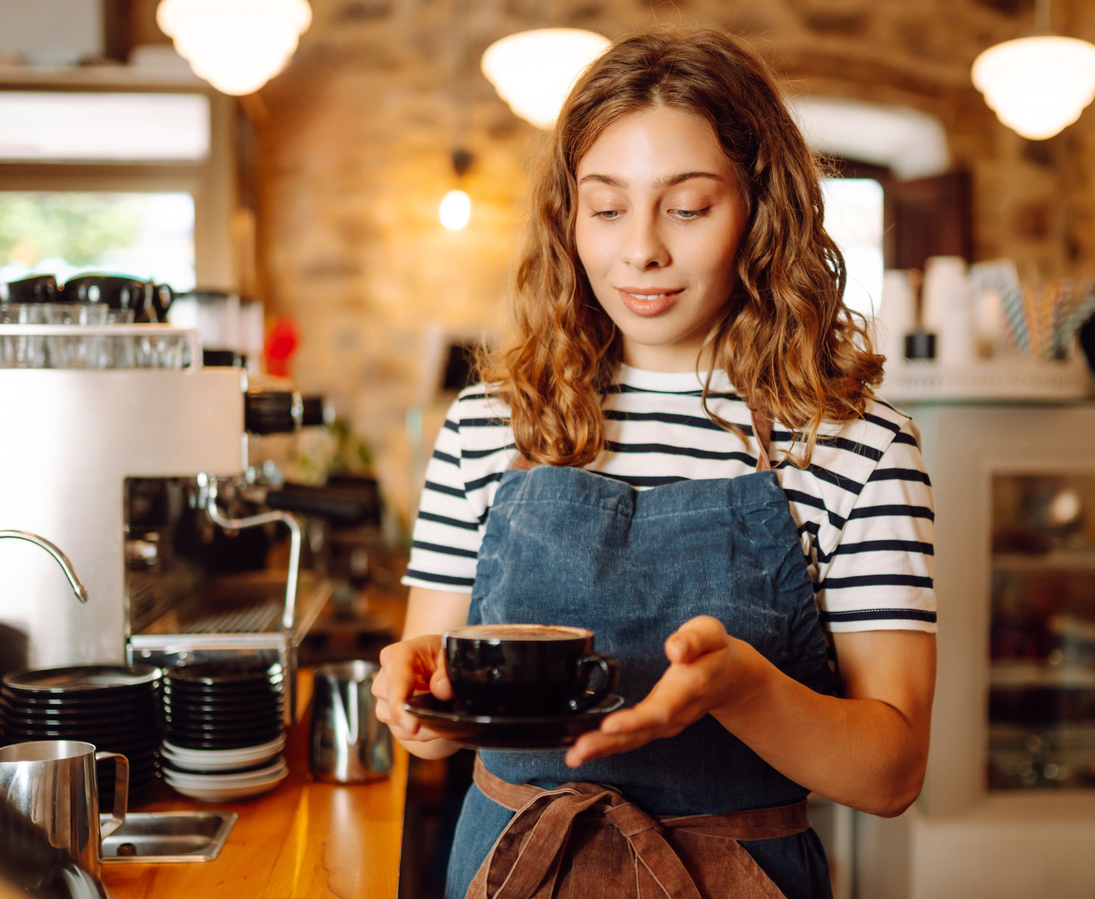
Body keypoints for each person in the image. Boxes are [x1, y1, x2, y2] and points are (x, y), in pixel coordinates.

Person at [372, 25, 936, 899]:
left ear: (762, 208)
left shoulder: (858, 446)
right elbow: (436, 725)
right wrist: (409, 695)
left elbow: (892, 773)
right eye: (606, 208)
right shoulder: (488, 425)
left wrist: (741, 689)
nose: (641, 250)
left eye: (686, 207)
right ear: (569, 216)